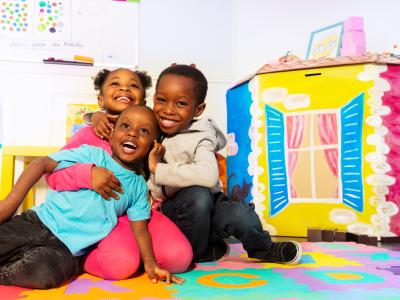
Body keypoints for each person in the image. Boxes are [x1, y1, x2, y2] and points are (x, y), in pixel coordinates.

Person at [0, 106, 184, 289]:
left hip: (68, 249)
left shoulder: (138, 186)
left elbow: (140, 229)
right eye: (125, 126)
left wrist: (150, 263)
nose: (133, 133)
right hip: (38, 222)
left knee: (44, 273)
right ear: (111, 137)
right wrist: (12, 201)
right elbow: (43, 164)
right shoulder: (92, 154)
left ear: (153, 145)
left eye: (143, 131)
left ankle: (5, 274)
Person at [45, 68, 192, 280]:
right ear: (101, 99)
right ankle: (79, 258)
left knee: (179, 258)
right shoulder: (88, 133)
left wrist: (155, 165)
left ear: (144, 100)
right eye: (115, 84)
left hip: (138, 213)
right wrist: (88, 174)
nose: (125, 88)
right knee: (120, 265)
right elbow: (51, 174)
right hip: (94, 214)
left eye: (133, 85)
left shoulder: (151, 132)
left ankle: (137, 254)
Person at [147, 64, 303, 263]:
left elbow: (208, 175)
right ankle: (199, 250)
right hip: (171, 211)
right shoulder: (150, 124)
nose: (168, 110)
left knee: (238, 214)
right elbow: (124, 119)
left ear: (198, 109)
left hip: (208, 203)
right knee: (197, 197)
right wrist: (97, 117)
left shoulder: (202, 136)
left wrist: (157, 168)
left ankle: (263, 249)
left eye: (181, 104)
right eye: (161, 100)